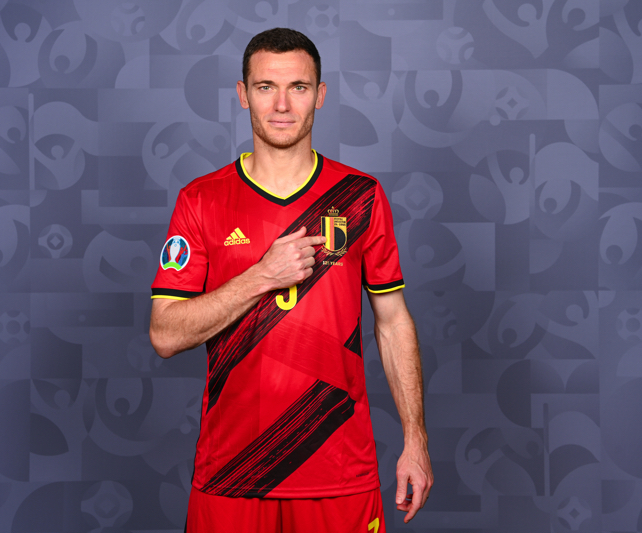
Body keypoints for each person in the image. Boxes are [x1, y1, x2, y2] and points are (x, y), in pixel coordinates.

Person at [149, 27, 432, 533]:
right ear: (243, 94)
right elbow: (165, 334)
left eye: (298, 87)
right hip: (233, 473)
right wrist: (260, 276)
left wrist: (416, 440)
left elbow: (393, 323)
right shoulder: (201, 200)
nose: (282, 104)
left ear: (319, 95)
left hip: (340, 472)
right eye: (266, 87)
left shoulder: (360, 196)